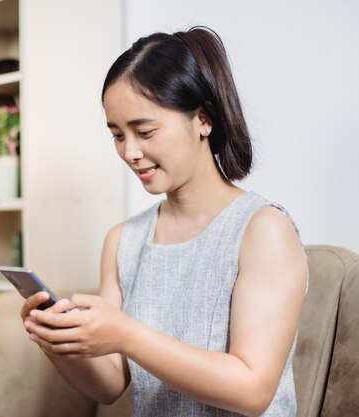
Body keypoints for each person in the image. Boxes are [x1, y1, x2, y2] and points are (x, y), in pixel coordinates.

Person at [21, 26, 308, 417]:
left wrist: (126, 334)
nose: (130, 152)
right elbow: (109, 384)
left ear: (203, 118)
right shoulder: (124, 240)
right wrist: (59, 342)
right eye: (117, 135)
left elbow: (252, 389)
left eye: (145, 131)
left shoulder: (262, 230)